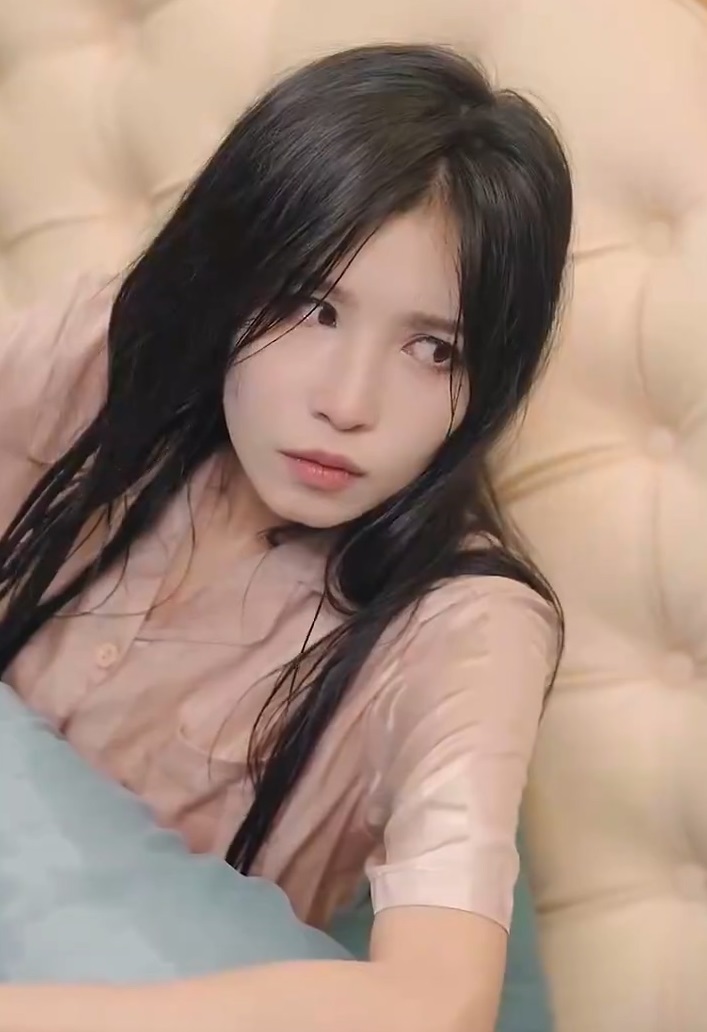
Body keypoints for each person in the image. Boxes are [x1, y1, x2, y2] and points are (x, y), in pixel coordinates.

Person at [0, 42, 571, 1032]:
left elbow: (435, 1003)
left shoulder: (467, 626)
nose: (347, 403)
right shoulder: (108, 362)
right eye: (311, 306)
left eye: (432, 349)